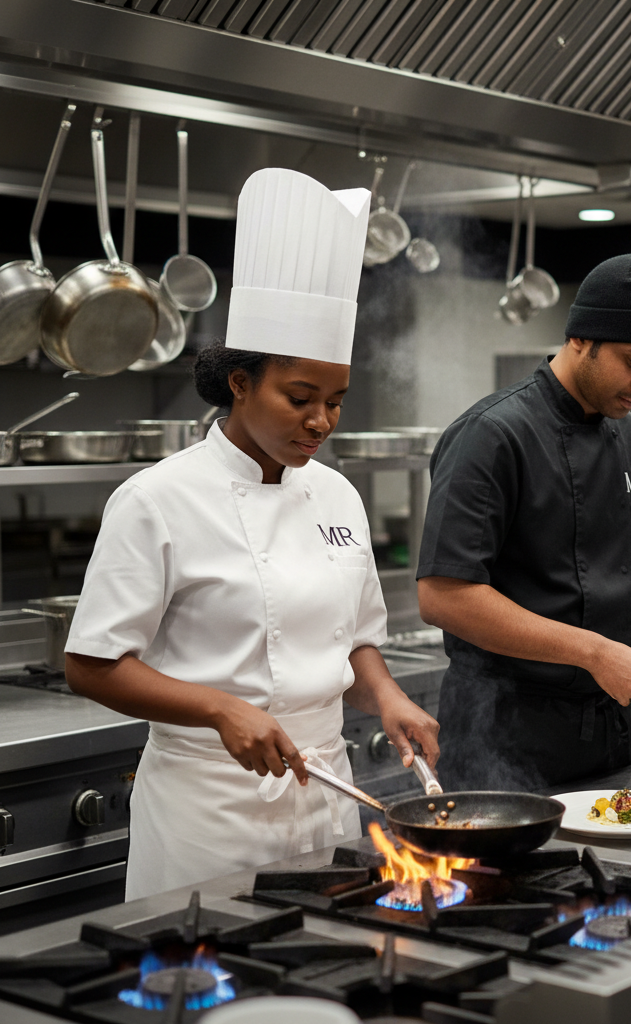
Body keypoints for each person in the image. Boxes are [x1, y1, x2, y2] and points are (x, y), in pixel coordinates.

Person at [64, 168, 439, 899]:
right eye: (300, 398)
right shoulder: (156, 499)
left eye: (336, 401)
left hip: (326, 792)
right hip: (209, 808)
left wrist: (387, 697)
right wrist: (219, 708)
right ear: (240, 383)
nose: (321, 421)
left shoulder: (336, 494)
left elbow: (356, 640)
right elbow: (91, 664)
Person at [416, 254, 631, 791]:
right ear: (581, 338)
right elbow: (444, 596)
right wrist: (596, 652)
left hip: (606, 729)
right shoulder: (492, 434)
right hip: (501, 728)